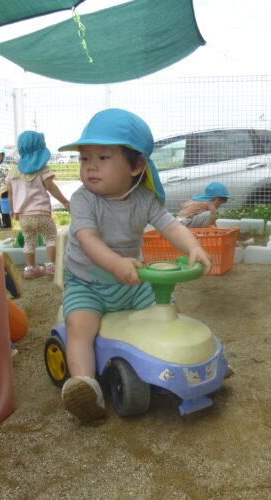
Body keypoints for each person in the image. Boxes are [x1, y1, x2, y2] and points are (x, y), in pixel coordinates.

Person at [57, 108, 212, 423]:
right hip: (87, 285)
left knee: (170, 310)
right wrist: (115, 263)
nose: (90, 166)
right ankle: (85, 386)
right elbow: (87, 239)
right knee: (79, 326)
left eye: (103, 157)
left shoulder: (144, 199)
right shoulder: (83, 199)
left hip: (131, 283)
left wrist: (194, 247)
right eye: (85, 158)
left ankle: (188, 361)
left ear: (136, 165)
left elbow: (171, 227)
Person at [6, 130, 70, 279]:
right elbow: (52, 188)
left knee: (29, 241)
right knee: (51, 237)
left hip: (24, 216)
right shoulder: (41, 170)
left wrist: (12, 210)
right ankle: (52, 266)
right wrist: (65, 202)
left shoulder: (13, 173)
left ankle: (30, 268)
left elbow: (10, 193)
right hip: (42, 214)